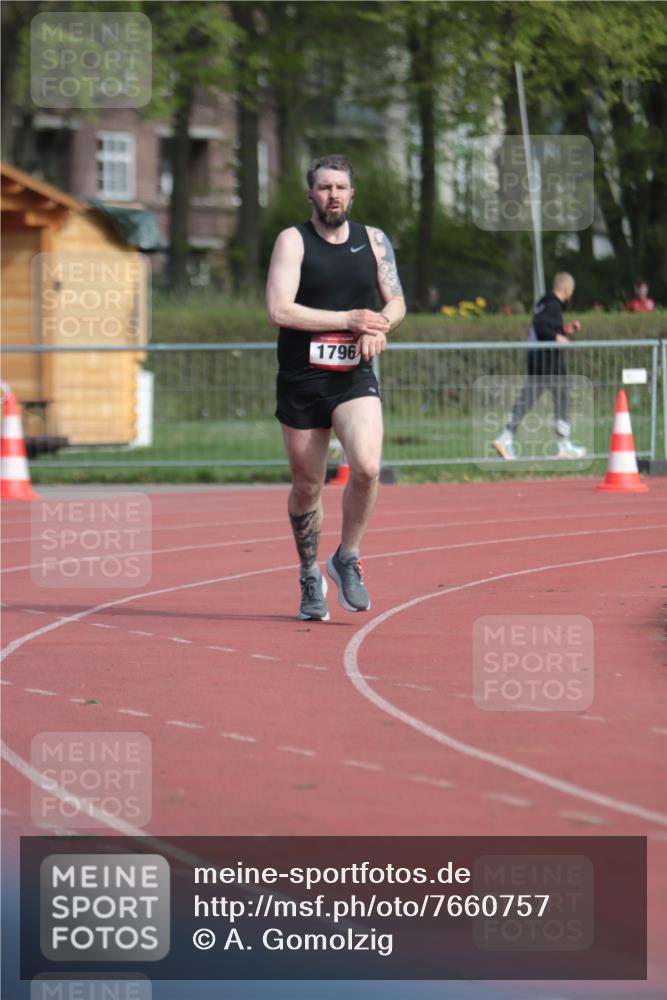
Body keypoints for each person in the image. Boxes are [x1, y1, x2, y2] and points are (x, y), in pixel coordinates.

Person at [266, 154, 406, 621]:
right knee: (308, 485)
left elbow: (397, 300)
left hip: (353, 377)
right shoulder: (293, 241)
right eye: (325, 187)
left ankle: (347, 556)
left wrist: (380, 324)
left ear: (352, 193)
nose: (333, 195)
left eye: (341, 188)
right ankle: (309, 574)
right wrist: (348, 319)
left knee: (366, 467)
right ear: (311, 193)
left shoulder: (374, 241)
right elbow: (280, 310)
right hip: (302, 380)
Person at [493, 272, 586, 461]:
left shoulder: (543, 302)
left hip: (536, 357)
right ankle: (563, 444)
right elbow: (543, 327)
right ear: (567, 289)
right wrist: (558, 338)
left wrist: (566, 330)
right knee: (562, 396)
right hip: (547, 359)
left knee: (528, 398)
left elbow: (544, 326)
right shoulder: (553, 305)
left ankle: (505, 437)